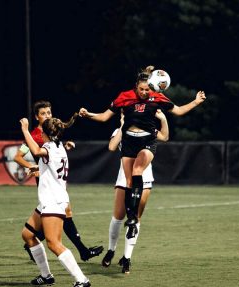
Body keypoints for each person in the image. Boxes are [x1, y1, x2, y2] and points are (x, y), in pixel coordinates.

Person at [79, 65, 206, 238]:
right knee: (129, 183)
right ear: (135, 87)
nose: (145, 92)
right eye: (141, 89)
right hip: (130, 140)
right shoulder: (125, 97)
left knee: (138, 170)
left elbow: (178, 111)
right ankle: (131, 218)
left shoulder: (157, 96)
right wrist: (88, 114)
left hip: (148, 140)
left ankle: (132, 218)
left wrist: (196, 102)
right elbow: (104, 116)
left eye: (147, 89)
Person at [15, 100, 103, 262]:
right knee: (62, 215)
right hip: (48, 183)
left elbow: (51, 152)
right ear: (36, 117)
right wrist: (34, 166)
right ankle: (82, 251)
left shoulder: (52, 131)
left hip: (56, 181)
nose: (47, 115)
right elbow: (18, 157)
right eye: (43, 113)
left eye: (49, 112)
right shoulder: (34, 135)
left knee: (61, 215)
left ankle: (34, 243)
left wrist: (65, 146)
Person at [20, 114, 91, 287]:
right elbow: (50, 164)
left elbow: (36, 152)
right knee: (28, 235)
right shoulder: (58, 147)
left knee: (53, 243)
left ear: (46, 134)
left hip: (54, 200)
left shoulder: (49, 147)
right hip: (48, 199)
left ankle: (82, 280)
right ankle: (46, 276)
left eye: (42, 132)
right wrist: (37, 168)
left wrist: (25, 130)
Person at [101, 110, 169, 273]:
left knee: (135, 218)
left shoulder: (147, 128)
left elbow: (165, 137)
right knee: (118, 216)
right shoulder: (120, 131)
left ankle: (127, 258)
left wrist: (164, 119)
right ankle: (111, 250)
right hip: (124, 178)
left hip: (143, 179)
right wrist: (123, 126)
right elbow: (111, 146)